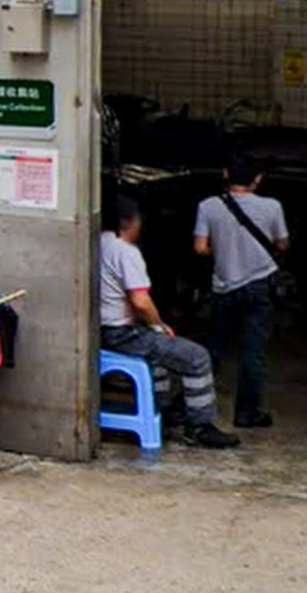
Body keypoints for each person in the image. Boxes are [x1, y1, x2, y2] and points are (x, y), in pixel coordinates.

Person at [96, 203, 239, 450]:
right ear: (130, 222)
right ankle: (199, 427)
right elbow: (141, 302)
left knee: (158, 355)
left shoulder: (97, 242)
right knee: (197, 357)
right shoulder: (125, 251)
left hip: (98, 330)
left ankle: (161, 410)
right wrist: (159, 324)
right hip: (120, 333)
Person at [191, 165, 290, 428]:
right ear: (258, 178)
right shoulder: (273, 206)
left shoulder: (208, 206)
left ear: (225, 175)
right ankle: (247, 413)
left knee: (213, 349)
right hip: (260, 287)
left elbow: (200, 248)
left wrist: (224, 249)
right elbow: (282, 244)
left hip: (224, 287)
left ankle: (192, 406)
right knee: (253, 352)